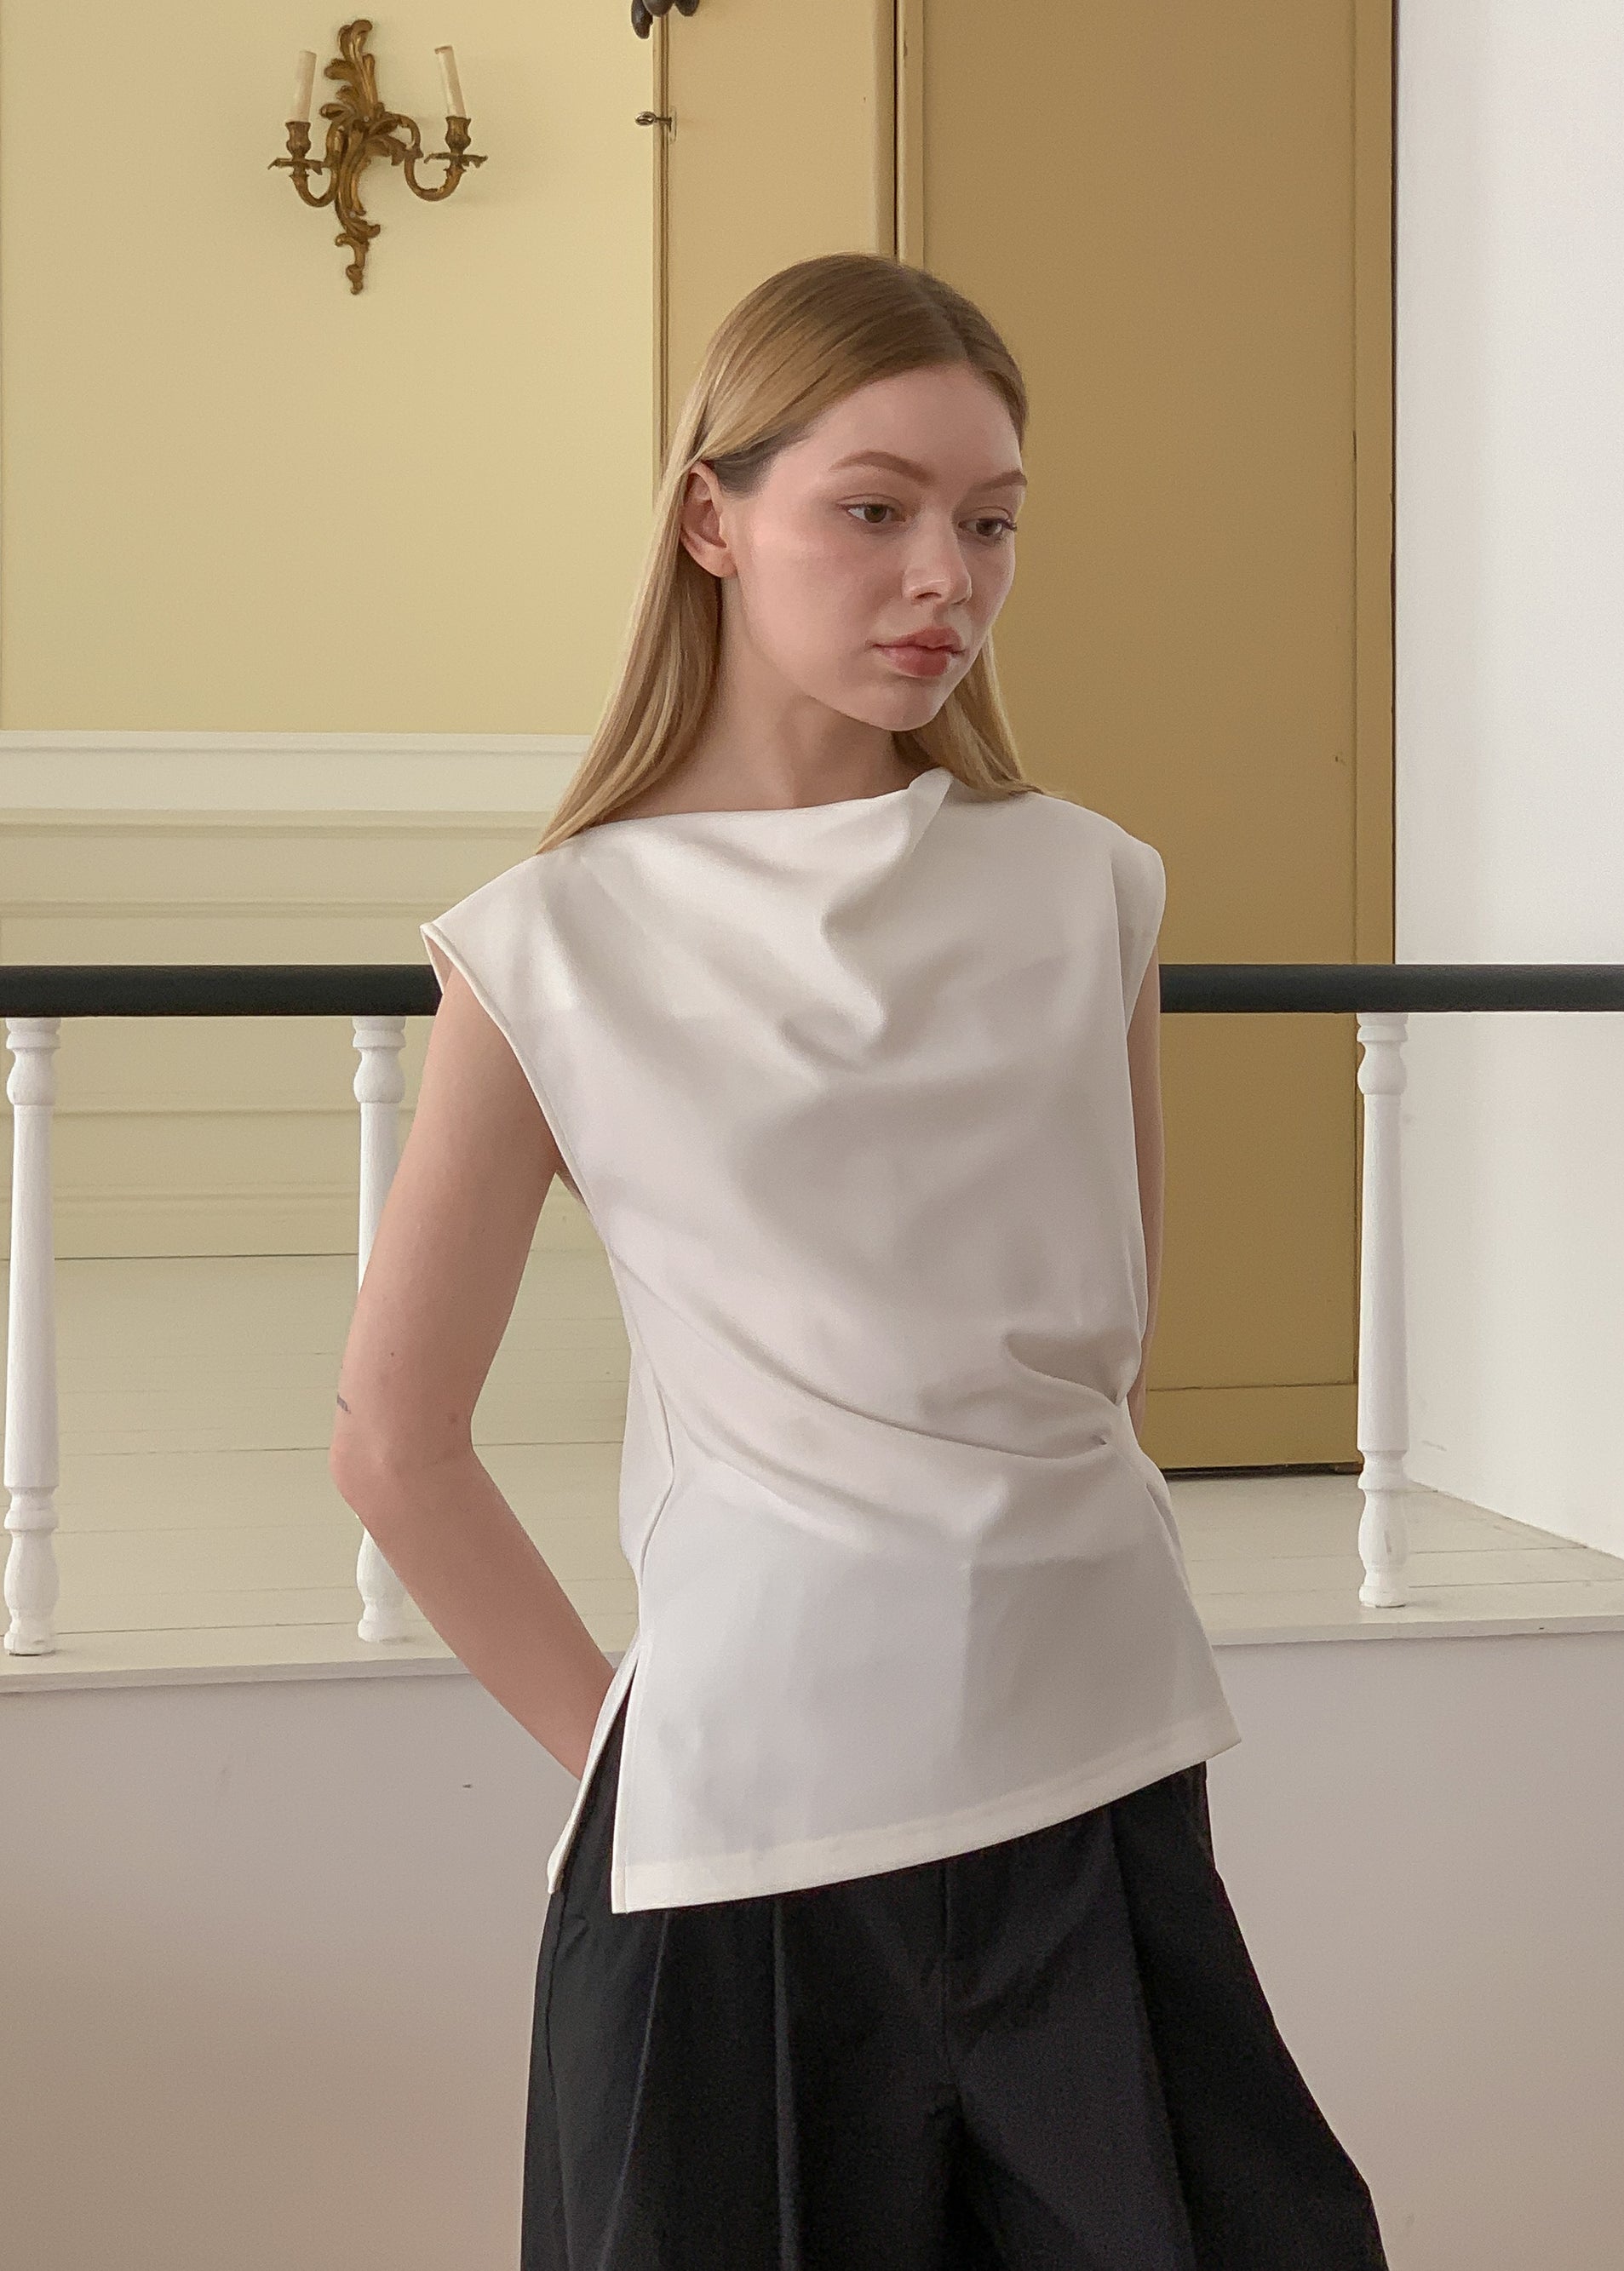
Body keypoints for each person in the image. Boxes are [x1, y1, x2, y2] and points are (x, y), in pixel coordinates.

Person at [330, 251, 1390, 2270]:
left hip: (1095, 1785)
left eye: (990, 523)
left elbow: (1092, 1356)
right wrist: (630, 1740)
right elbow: (394, 1442)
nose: (943, 578)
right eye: (874, 508)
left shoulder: (1088, 888)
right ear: (711, 518)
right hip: (744, 1845)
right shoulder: (551, 943)